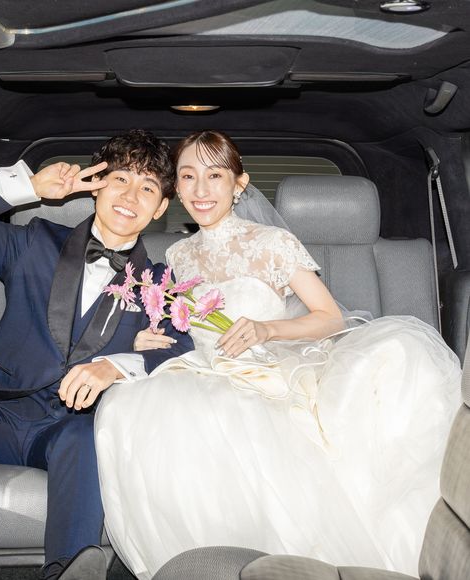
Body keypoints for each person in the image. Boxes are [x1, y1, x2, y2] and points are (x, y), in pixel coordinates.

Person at [95, 130, 462, 579]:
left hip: (273, 370)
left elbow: (330, 317)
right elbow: (181, 329)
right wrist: (147, 339)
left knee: (235, 414)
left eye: (215, 175)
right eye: (188, 176)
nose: (201, 189)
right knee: (135, 403)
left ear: (240, 184)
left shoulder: (272, 244)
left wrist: (267, 329)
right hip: (205, 372)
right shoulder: (176, 256)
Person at [0, 129, 194, 580]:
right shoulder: (34, 241)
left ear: (160, 208)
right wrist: (30, 188)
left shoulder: (159, 283)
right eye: (120, 179)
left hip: (69, 430)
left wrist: (115, 366)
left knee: (85, 436)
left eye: (147, 188)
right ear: (97, 185)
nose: (130, 197)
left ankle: (66, 571)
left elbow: (182, 349)